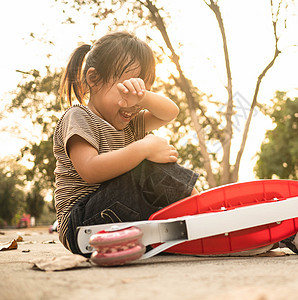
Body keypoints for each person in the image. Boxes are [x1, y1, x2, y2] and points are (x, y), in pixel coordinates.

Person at [53, 32, 198, 255]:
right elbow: (90, 170)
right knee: (148, 167)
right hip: (80, 223)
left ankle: (197, 217)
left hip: (115, 213)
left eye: (141, 92)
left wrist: (143, 97)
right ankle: (203, 212)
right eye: (126, 89)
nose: (133, 104)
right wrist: (143, 148)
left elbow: (171, 112)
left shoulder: (130, 123)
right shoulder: (79, 116)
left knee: (153, 176)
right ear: (93, 79)